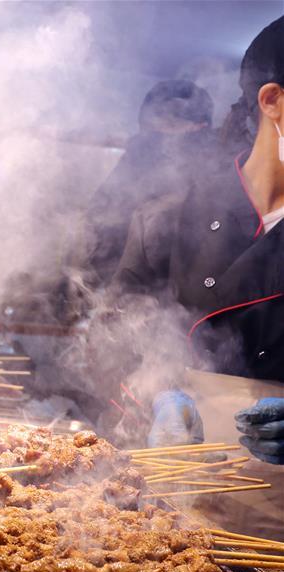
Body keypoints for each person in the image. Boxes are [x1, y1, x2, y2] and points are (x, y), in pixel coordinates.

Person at [112, 15, 284, 464]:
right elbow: (115, 328)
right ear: (272, 101)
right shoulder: (170, 216)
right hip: (169, 488)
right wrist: (158, 393)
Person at [84, 80, 215, 286]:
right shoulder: (136, 157)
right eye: (150, 124)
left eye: (169, 123)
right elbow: (97, 224)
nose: (156, 133)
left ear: (200, 126)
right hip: (126, 296)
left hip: (188, 301)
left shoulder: (218, 179)